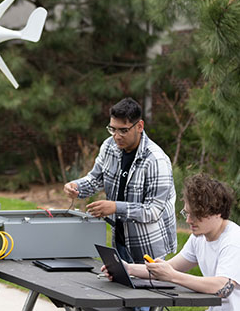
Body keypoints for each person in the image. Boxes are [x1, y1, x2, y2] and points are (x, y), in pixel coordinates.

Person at [64, 97, 177, 263]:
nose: (116, 136)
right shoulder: (109, 146)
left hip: (149, 247)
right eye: (112, 129)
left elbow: (153, 211)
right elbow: (95, 179)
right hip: (119, 242)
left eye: (123, 130)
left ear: (139, 126)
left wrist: (115, 207)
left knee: (145, 289)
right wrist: (75, 186)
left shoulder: (156, 159)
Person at [106, 173, 240, 311]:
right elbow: (172, 267)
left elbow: (222, 286)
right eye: (187, 213)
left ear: (218, 213)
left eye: (195, 215)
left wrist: (172, 276)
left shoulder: (233, 241)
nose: (188, 220)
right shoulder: (199, 237)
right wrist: (128, 269)